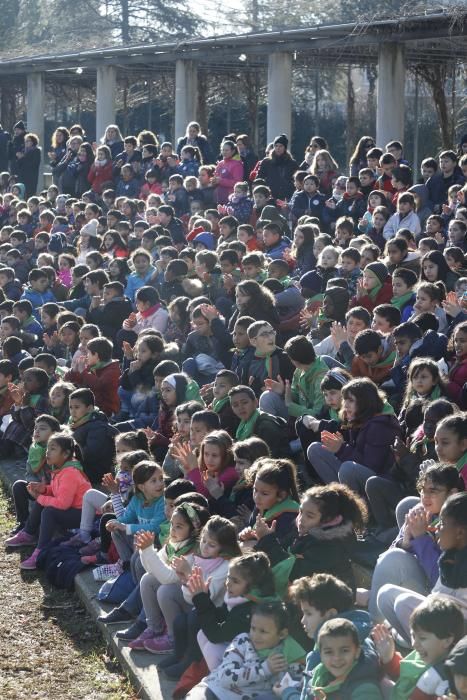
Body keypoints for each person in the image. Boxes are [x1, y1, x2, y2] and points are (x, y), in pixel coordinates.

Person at [5, 432, 91, 571]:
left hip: (84, 516)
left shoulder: (70, 472)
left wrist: (40, 497)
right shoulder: (62, 469)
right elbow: (59, 491)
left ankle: (40, 551)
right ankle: (28, 533)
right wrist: (44, 489)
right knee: (44, 501)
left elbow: (63, 503)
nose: (47, 452)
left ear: (65, 454)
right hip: (74, 510)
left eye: (52, 449)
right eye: (47, 449)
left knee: (49, 511)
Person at [258, 134, 299, 200]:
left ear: (285, 147)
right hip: (270, 196)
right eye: (276, 146)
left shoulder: (292, 163)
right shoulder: (266, 162)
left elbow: (297, 180)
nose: (278, 148)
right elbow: (259, 178)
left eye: (281, 146)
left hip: (287, 196)